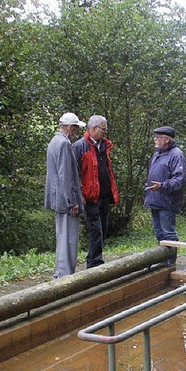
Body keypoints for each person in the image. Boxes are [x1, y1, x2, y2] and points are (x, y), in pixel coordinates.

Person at [72, 115, 120, 268]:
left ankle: (95, 259)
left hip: (104, 195)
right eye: (103, 129)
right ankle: (94, 263)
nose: (105, 133)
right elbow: (74, 174)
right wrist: (78, 196)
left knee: (103, 229)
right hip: (90, 197)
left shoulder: (104, 146)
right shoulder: (80, 147)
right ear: (93, 129)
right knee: (96, 230)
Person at [44, 112, 86, 279]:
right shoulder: (63, 144)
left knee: (62, 235)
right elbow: (65, 175)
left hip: (58, 197)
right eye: (75, 128)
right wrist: (72, 201)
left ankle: (62, 273)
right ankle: (64, 274)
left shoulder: (55, 141)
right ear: (69, 128)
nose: (76, 132)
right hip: (65, 199)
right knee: (68, 238)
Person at [144, 125, 186, 262]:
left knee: (168, 233)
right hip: (155, 200)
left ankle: (170, 263)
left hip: (168, 201)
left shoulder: (177, 155)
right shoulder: (158, 153)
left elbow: (179, 180)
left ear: (166, 139)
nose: (155, 140)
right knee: (158, 232)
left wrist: (162, 186)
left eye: (158, 137)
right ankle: (162, 262)